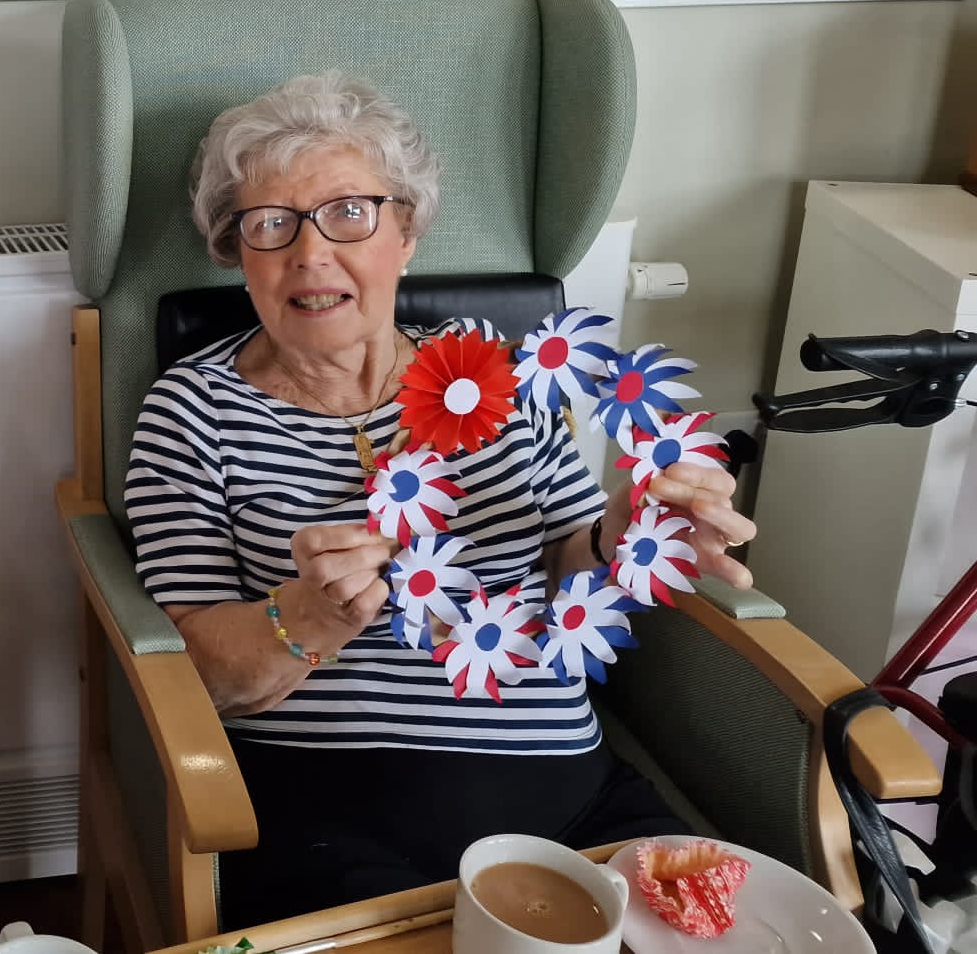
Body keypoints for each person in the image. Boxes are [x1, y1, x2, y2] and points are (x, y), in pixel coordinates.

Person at [124, 72, 758, 926]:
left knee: (718, 931)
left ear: (408, 232)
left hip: (569, 793)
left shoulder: (496, 374)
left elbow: (569, 567)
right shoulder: (192, 410)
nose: (310, 253)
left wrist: (625, 535)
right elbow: (199, 674)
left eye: (350, 212)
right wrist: (309, 616)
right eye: (270, 224)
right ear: (235, 252)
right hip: (331, 807)